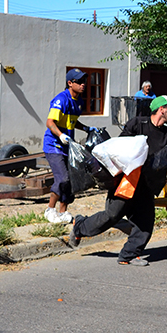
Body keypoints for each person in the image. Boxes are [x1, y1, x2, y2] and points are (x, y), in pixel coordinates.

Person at [69, 95, 167, 265]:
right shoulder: (137, 124)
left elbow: (166, 158)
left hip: (146, 185)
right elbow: (119, 148)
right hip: (127, 181)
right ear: (161, 109)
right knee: (111, 215)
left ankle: (128, 254)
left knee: (145, 222)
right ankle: (80, 226)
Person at [43, 69, 95, 224]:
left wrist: (85, 128)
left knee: (71, 180)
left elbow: (72, 121)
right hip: (54, 145)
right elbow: (50, 122)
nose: (83, 85)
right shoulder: (61, 99)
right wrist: (60, 135)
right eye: (79, 82)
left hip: (68, 147)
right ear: (70, 83)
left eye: (84, 81)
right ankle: (50, 210)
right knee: (62, 178)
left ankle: (63, 212)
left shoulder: (78, 101)